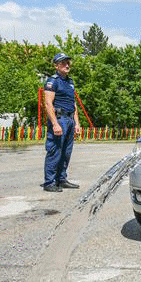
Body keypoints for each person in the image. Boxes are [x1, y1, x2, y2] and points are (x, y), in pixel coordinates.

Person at [42, 53, 81, 192]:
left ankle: (61, 179)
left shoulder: (70, 82)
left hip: (70, 119)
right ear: (56, 65)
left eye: (68, 62)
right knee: (55, 150)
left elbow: (73, 103)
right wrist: (55, 123)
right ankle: (49, 182)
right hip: (59, 119)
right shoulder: (53, 81)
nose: (66, 65)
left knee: (66, 152)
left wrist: (77, 123)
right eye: (63, 63)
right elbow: (48, 103)